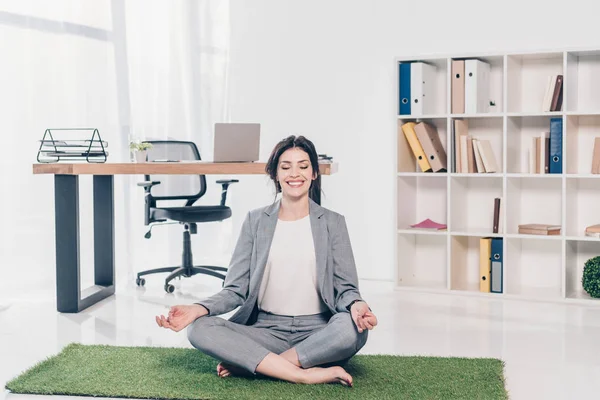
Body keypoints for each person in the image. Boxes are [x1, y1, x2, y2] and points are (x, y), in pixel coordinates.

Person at [155, 135, 378, 387]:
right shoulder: (255, 221)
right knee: (198, 329)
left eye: (303, 166)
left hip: (319, 330)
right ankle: (301, 373)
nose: (295, 174)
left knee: (353, 329)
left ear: (315, 172)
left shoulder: (333, 222)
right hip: (266, 330)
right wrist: (198, 308)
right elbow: (235, 289)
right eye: (286, 167)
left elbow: (345, 288)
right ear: (275, 174)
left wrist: (357, 304)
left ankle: (263, 365)